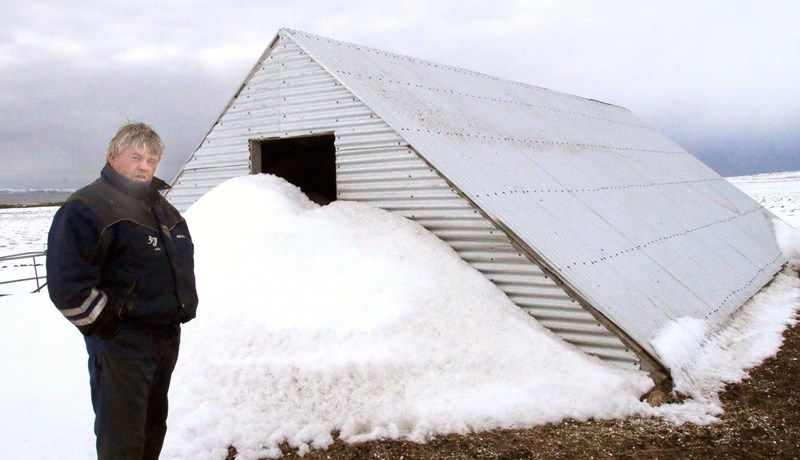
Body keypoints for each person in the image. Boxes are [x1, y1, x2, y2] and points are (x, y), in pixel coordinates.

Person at [46, 122, 198, 459]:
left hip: (164, 338)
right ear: (113, 157)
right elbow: (68, 284)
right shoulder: (88, 207)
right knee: (122, 436)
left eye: (153, 160)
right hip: (123, 343)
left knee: (152, 426)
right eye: (136, 157)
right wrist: (110, 330)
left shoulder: (162, 208)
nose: (145, 166)